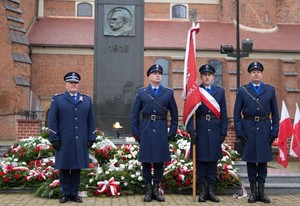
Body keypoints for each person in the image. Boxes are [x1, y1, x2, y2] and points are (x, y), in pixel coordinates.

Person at [131, 64, 178, 202]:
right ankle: (148, 190)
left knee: (159, 161)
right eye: (155, 73)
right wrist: (136, 133)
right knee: (146, 161)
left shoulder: (168, 93)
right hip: (145, 129)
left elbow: (174, 115)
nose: (158, 75)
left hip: (161, 129)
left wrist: (173, 131)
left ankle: (156, 189)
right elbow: (134, 115)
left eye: (159, 73)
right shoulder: (142, 93)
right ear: (149, 76)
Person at [234, 61, 279, 203]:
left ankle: (262, 193)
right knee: (251, 162)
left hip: (265, 128)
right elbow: (236, 114)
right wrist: (239, 131)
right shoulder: (243, 90)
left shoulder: (270, 90)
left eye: (258, 71)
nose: (256, 74)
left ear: (261, 73)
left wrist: (275, 131)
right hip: (249, 128)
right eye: (253, 72)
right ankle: (253, 193)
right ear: (250, 74)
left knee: (263, 162)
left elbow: (275, 113)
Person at [48, 72, 97, 203]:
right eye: (71, 82)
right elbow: (52, 120)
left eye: (75, 82)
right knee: (64, 167)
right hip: (64, 139)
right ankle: (65, 193)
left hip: (80, 140)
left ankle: (74, 193)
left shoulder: (86, 100)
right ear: (66, 84)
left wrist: (91, 137)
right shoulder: (58, 99)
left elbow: (91, 120)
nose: (73, 84)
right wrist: (54, 138)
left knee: (76, 167)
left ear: (78, 84)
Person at [186, 64, 228, 203]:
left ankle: (211, 191)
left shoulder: (220, 92)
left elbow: (224, 114)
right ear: (201, 77)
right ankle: (203, 191)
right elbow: (190, 112)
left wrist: (223, 132)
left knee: (212, 163)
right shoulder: (195, 91)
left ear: (213, 77)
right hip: (201, 130)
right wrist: (191, 130)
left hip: (215, 130)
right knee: (200, 162)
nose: (207, 77)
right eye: (204, 75)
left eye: (209, 75)